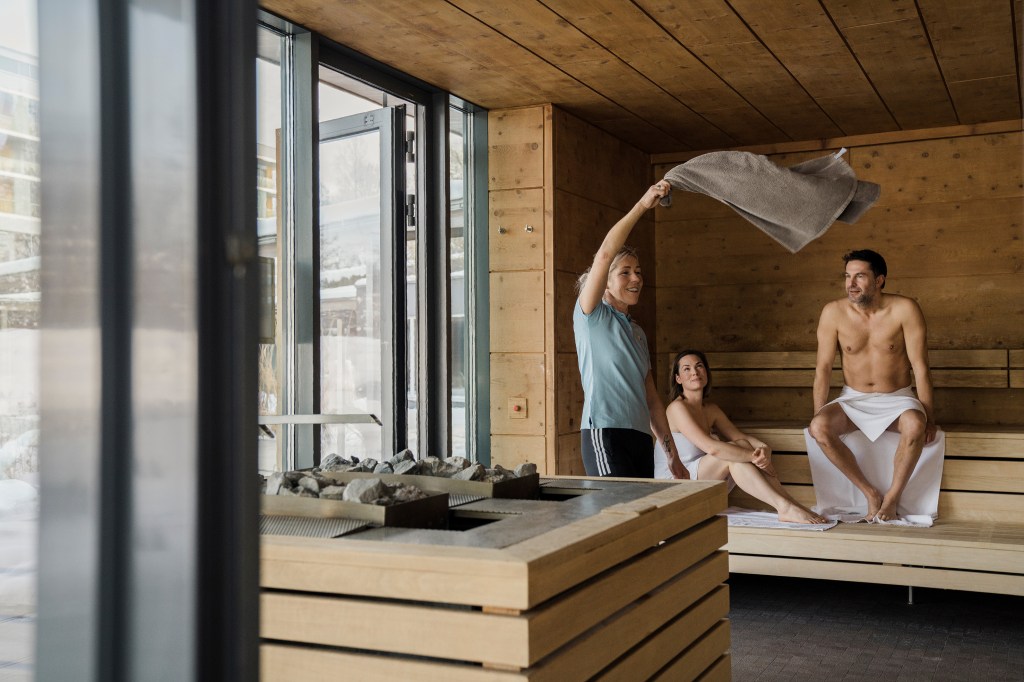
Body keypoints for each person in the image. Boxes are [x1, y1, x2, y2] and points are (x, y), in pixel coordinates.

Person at [808, 249, 938, 522]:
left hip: (898, 398)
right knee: (819, 427)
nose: (851, 283)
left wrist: (930, 418)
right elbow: (823, 370)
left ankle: (892, 499)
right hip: (853, 398)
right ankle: (870, 493)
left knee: (915, 424)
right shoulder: (833, 312)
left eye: (860, 276)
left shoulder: (905, 309)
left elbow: (921, 367)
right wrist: (818, 413)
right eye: (847, 276)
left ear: (879, 280)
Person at [574, 181, 685, 479]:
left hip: (640, 439)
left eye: (638, 272)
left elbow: (652, 399)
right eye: (625, 272)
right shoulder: (591, 314)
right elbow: (604, 254)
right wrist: (643, 205)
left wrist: (671, 455)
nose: (636, 278)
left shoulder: (638, 333)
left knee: (641, 509)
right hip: (605, 433)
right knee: (617, 506)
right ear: (605, 282)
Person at [659, 350, 827, 524]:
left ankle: (791, 504)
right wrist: (753, 457)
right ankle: (784, 507)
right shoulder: (676, 408)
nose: (694, 372)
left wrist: (763, 448)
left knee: (741, 445)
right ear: (678, 378)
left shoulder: (711, 410)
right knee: (733, 456)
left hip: (702, 476)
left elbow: (740, 437)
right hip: (676, 482)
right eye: (687, 369)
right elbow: (712, 448)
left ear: (706, 373)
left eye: (699, 366)